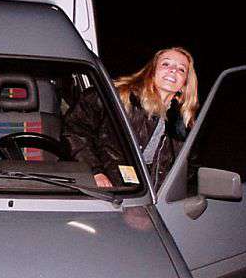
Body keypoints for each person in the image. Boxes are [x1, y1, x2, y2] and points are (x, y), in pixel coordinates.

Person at [63, 47, 199, 190]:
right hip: (110, 191)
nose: (173, 70)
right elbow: (74, 132)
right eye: (166, 64)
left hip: (150, 196)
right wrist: (95, 172)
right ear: (151, 71)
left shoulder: (183, 122)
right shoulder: (115, 97)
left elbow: (189, 166)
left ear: (184, 83)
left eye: (181, 69)